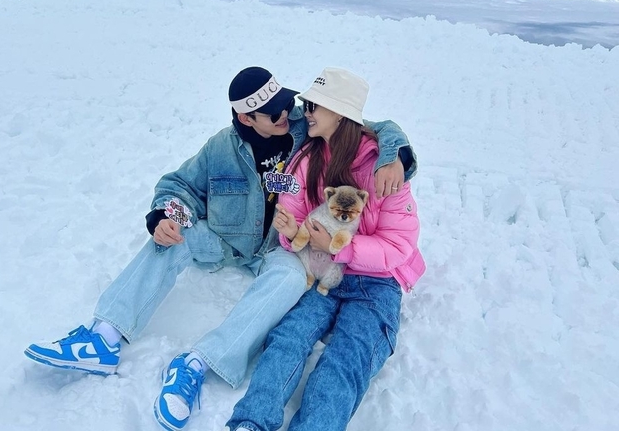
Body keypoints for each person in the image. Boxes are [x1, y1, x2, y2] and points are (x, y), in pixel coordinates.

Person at [24, 66, 417, 431]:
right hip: (229, 242)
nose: (287, 113)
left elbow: (371, 127)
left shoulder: (304, 129)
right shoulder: (220, 149)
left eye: (287, 102)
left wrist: (395, 155)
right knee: (170, 238)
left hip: (281, 246)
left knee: (288, 280)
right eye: (274, 111)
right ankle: (104, 335)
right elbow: (180, 186)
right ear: (246, 118)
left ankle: (199, 362)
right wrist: (165, 215)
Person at [225, 67, 425, 431]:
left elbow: (398, 245)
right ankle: (250, 423)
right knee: (287, 339)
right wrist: (292, 232)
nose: (306, 112)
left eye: (314, 105)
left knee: (345, 361)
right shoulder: (308, 157)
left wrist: (338, 248)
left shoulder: (384, 168)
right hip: (321, 272)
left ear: (341, 114)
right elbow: (297, 216)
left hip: (375, 284)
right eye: (306, 104)